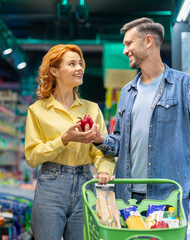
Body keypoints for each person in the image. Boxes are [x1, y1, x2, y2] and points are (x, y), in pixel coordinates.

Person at [88, 17, 190, 225]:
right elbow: (119, 142)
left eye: (128, 43)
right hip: (129, 197)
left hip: (167, 196)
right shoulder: (127, 92)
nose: (124, 51)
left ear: (148, 41)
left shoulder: (184, 85)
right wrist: (100, 138)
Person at [24, 44, 115, 240]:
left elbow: (101, 150)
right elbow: (32, 157)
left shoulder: (92, 109)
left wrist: (104, 170)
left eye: (80, 63)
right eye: (72, 64)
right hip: (51, 185)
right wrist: (63, 140)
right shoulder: (37, 110)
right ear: (54, 70)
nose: (79, 68)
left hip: (85, 183)